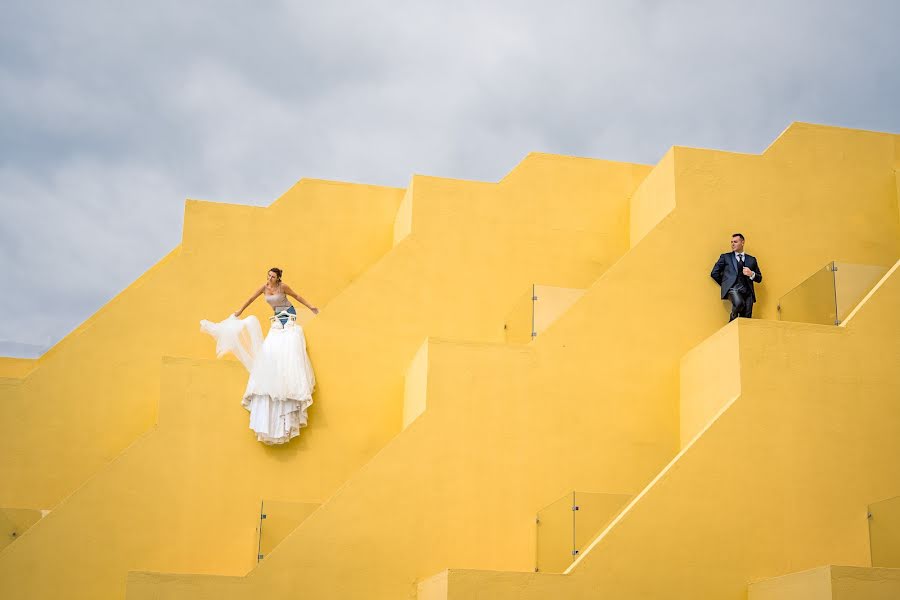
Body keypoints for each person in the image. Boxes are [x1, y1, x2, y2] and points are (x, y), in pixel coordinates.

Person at [200, 267, 319, 444]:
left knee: (286, 342)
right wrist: (239, 311)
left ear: (279, 279)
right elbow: (250, 298)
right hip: (278, 316)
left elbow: (297, 297)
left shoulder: (283, 287)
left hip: (288, 314)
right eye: (268, 276)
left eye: (273, 277)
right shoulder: (264, 288)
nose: (270, 279)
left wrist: (311, 308)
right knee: (272, 344)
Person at [710, 233, 763, 322]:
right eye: (731, 242)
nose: (732, 244)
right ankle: (732, 319)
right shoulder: (725, 257)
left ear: (742, 243)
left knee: (746, 319)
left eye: (735, 242)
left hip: (748, 292)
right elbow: (714, 273)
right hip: (733, 289)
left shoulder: (751, 259)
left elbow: (759, 278)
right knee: (739, 303)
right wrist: (726, 284)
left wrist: (751, 274)